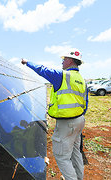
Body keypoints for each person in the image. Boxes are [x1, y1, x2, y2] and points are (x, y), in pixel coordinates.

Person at [21, 48, 88, 180]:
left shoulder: (62, 76)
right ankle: (78, 177)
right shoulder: (82, 80)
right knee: (75, 153)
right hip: (79, 121)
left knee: (62, 157)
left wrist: (27, 62)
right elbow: (85, 103)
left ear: (70, 60)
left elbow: (42, 70)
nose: (62, 62)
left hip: (66, 124)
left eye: (64, 59)